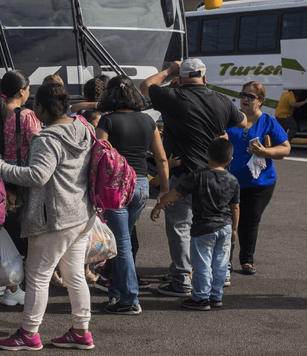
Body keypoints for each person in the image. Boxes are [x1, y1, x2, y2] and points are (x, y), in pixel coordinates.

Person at [0, 82, 96, 351]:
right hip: (82, 213)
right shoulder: (83, 127)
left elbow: (36, 176)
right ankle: (81, 331)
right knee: (75, 274)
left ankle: (29, 333)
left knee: (38, 276)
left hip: (54, 218)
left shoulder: (47, 138)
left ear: (41, 107)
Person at [140, 59, 245, 298]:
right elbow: (243, 121)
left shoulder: (173, 97)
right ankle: (220, 276)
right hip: (217, 175)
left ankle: (181, 280)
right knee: (217, 225)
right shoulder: (221, 101)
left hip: (184, 173)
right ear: (205, 78)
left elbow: (145, 85)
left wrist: (169, 71)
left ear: (183, 77)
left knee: (180, 228)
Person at [94, 76, 170, 315]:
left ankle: (130, 300)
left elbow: (97, 154)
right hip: (140, 186)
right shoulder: (148, 121)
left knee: (122, 243)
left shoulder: (107, 120)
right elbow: (161, 158)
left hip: (115, 186)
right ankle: (117, 293)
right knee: (120, 241)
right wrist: (165, 190)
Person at [151, 138, 239, 311]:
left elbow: (176, 194)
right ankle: (216, 295)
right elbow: (235, 207)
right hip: (225, 227)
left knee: (202, 264)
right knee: (220, 263)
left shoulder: (198, 175)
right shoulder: (233, 180)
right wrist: (234, 228)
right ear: (230, 160)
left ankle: (200, 297)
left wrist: (159, 206)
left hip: (204, 228)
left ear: (206, 154)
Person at [0, 69, 40, 306]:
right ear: (21, 91)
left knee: (1, 233)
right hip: (21, 179)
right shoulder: (26, 116)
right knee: (23, 237)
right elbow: (40, 146)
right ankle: (14, 288)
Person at [226, 82, 290, 276]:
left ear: (260, 101)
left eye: (251, 96)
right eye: (243, 94)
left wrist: (265, 151)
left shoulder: (268, 122)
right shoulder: (230, 118)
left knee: (250, 221)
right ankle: (225, 262)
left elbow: (285, 148)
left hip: (260, 184)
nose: (245, 99)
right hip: (229, 181)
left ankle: (247, 260)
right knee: (228, 222)